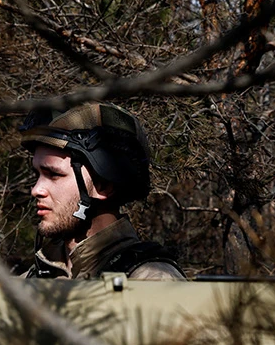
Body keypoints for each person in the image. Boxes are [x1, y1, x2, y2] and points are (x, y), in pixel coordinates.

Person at [20, 102, 185, 280]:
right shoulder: (29, 281)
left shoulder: (151, 281)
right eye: (37, 174)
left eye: (53, 174)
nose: (36, 190)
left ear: (104, 185)